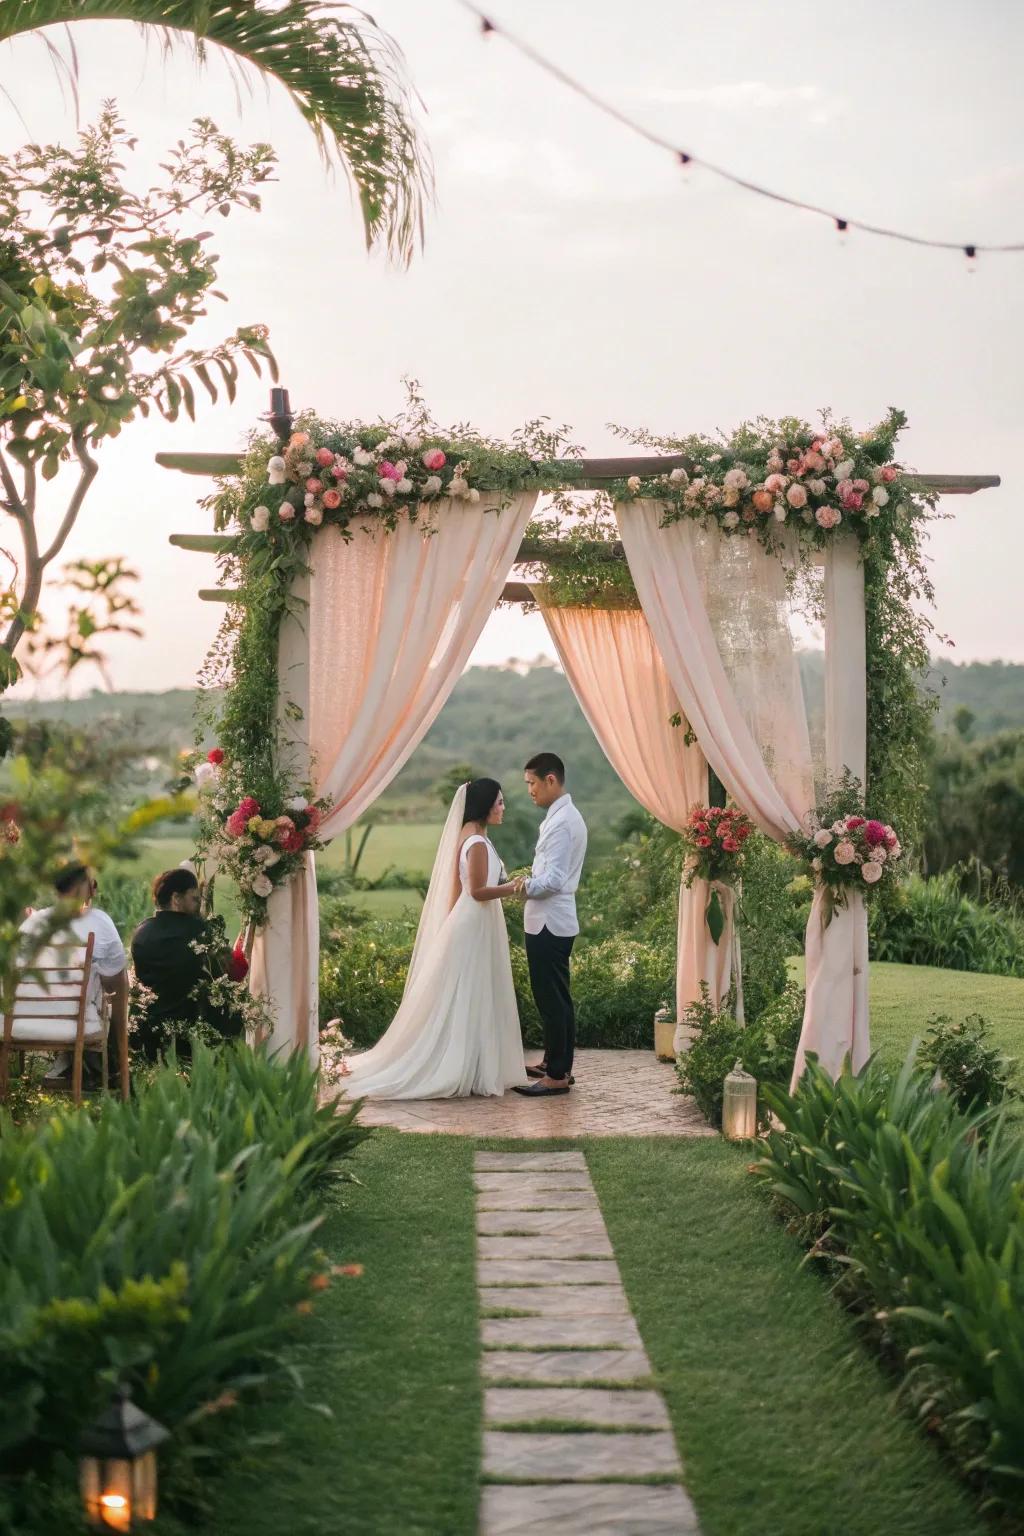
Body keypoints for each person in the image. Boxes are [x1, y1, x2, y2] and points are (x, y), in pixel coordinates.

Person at [345, 778, 528, 1099]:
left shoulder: (469, 836)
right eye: (499, 802)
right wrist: (514, 887)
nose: (503, 808)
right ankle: (467, 1064)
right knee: (472, 989)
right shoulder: (477, 842)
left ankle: (475, 1062)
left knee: (473, 991)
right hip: (475, 921)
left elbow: (461, 889)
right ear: (485, 806)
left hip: (474, 921)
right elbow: (477, 891)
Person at [513, 752, 588, 1098]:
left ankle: (557, 1074)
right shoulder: (560, 817)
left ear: (551, 780)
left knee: (552, 999)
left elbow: (553, 880)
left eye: (532, 783)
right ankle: (554, 1063)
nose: (529, 790)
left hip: (549, 922)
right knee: (557, 997)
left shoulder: (562, 823)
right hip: (550, 919)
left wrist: (521, 886)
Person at [20, 863, 129, 1091]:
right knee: (114, 978)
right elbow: (114, 982)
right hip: (73, 1023)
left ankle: (68, 1068)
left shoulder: (33, 922)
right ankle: (117, 1061)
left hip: (22, 1020)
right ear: (90, 889)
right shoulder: (100, 922)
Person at [130, 867, 246, 1060]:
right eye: (194, 899)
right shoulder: (197, 930)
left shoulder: (142, 931)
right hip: (192, 1030)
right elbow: (221, 976)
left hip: (148, 1030)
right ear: (176, 898)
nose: (198, 905)